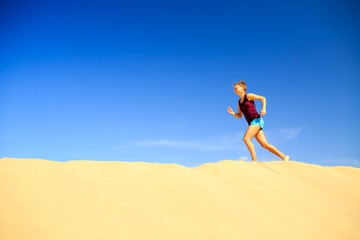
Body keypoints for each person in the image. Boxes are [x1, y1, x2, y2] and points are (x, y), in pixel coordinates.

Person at [227, 80, 289, 163]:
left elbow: (263, 98)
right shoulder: (239, 102)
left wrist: (263, 109)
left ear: (242, 88)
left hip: (256, 120)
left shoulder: (248, 96)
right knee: (264, 145)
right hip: (253, 123)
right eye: (234, 89)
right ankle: (284, 157)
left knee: (246, 139)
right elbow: (239, 116)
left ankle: (254, 160)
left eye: (236, 88)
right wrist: (232, 113)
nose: (234, 90)